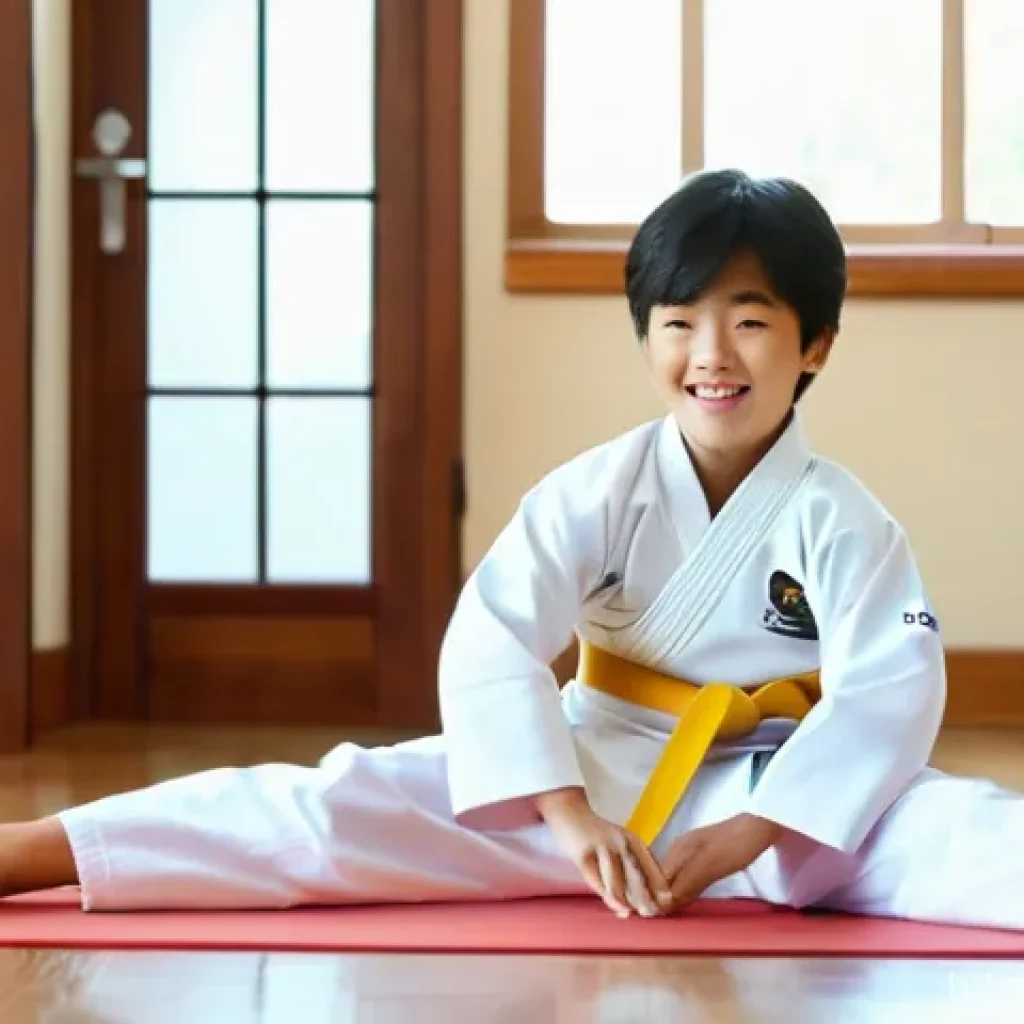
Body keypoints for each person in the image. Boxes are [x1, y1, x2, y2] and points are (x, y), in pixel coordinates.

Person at [1, 169, 1020, 930]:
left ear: (815, 345)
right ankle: (37, 849)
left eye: (750, 321)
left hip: (778, 799)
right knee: (340, 801)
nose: (711, 354)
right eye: (679, 322)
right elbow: (491, 642)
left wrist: (745, 837)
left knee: (960, 832)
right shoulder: (597, 490)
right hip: (583, 766)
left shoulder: (842, 517)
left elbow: (890, 690)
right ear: (646, 338)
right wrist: (570, 817)